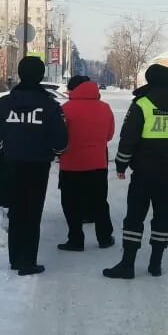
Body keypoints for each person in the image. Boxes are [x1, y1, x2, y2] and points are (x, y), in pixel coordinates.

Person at [103, 63, 168, 280]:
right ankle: (155, 264)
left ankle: (128, 265)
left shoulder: (142, 104)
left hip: (144, 173)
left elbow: (129, 138)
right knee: (162, 217)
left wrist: (121, 164)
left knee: (135, 217)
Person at [0, 56, 68, 276]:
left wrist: (7, 147)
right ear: (41, 75)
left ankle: (15, 259)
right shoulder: (49, 105)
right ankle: (27, 261)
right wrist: (52, 152)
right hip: (38, 166)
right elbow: (60, 139)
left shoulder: (5, 103)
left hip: (11, 164)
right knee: (32, 213)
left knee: (16, 211)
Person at [57, 74, 116, 252]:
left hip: (71, 164)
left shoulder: (65, 109)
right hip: (98, 163)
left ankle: (75, 239)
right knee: (100, 202)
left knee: (71, 203)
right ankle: (104, 237)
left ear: (73, 90)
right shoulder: (105, 108)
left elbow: (60, 137)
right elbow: (109, 135)